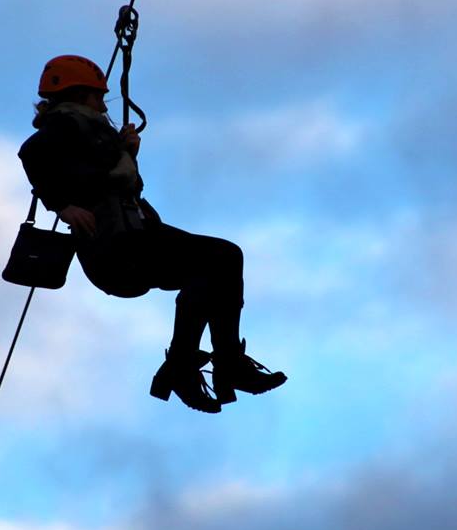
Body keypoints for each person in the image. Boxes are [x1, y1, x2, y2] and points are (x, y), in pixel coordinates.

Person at [17, 54, 286, 413]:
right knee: (220, 259)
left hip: (130, 238)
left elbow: (116, 182)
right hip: (115, 246)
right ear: (79, 95)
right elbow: (32, 154)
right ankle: (205, 366)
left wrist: (126, 152)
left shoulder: (92, 132)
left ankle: (198, 367)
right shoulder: (66, 125)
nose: (102, 104)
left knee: (215, 267)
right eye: (98, 96)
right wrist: (62, 205)